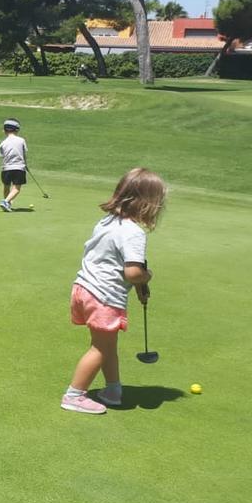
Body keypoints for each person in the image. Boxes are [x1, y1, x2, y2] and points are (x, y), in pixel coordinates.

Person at [61, 168, 167, 414]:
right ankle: (74, 395)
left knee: (106, 344)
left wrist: (140, 285)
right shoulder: (134, 232)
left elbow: (120, 262)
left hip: (84, 288)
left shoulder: (108, 221)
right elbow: (133, 272)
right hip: (104, 297)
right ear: (147, 204)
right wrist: (147, 276)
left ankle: (113, 389)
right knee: (100, 348)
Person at [0, 118, 27, 212]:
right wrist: (25, 164)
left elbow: (2, 156)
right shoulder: (21, 140)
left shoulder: (3, 143)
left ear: (4, 130)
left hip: (6, 168)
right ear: (17, 129)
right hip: (19, 167)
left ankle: (7, 204)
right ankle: (5, 201)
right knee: (16, 188)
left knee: (6, 186)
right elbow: (23, 154)